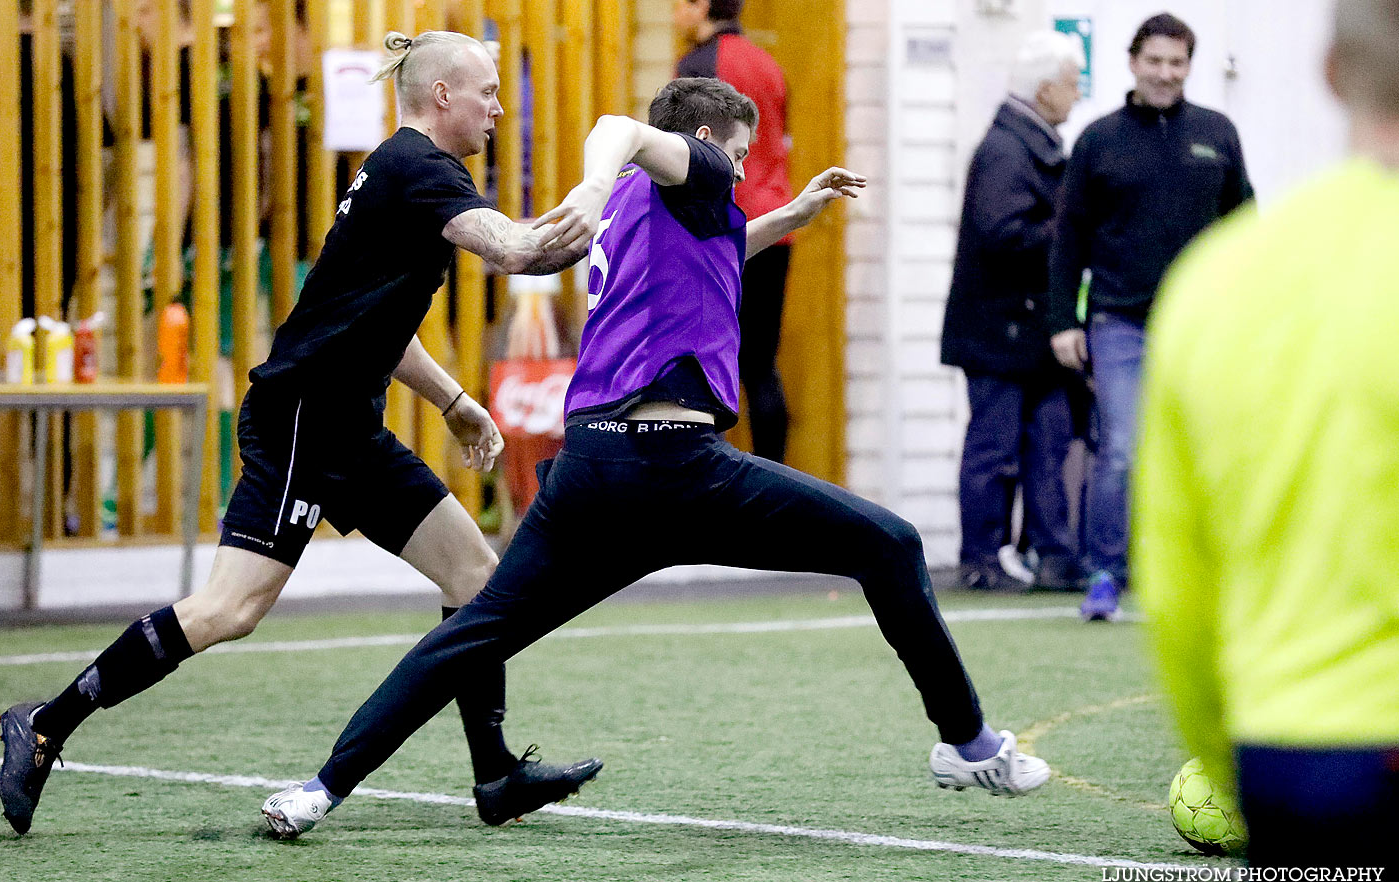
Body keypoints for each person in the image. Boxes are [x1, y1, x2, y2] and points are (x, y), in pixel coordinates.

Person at [261, 77, 1050, 838]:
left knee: (474, 632)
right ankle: (969, 745)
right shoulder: (675, 169)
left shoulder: (650, 212)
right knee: (893, 545)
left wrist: (793, 213)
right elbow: (620, 130)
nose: (739, 173)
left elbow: (720, 246)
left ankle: (318, 790)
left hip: (593, 477)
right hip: (682, 473)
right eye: (738, 155)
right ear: (703, 141)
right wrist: (592, 182)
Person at [0, 30, 602, 836]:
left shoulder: (405, 173)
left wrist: (455, 400)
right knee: (228, 610)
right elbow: (517, 250)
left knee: (473, 575)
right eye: (487, 91)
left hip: (347, 425)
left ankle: (494, 775)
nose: (499, 107)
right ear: (444, 96)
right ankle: (44, 724)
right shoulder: (419, 170)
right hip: (303, 423)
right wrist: (604, 192)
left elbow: (375, 323)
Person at [1138, 0, 1399, 870]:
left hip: (1304, 752)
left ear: (1331, 72)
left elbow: (1180, 592)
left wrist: (1225, 759)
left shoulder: (1218, 283)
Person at [1045, 12, 1253, 621]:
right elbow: (1068, 240)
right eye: (1155, 61)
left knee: (1206, 448)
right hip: (1120, 323)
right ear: (1133, 62)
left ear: (1189, 67)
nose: (1166, 73)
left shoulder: (1218, 133)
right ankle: (1105, 574)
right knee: (1122, 452)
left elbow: (1245, 228)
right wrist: (1064, 321)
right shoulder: (1099, 140)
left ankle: (1207, 575)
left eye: (1177, 63)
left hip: (1203, 326)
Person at [940, 31, 1084, 593]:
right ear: (1045, 90)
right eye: (1071, 84)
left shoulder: (1023, 144)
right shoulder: (1008, 150)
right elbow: (1000, 234)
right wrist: (1070, 233)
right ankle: (981, 557)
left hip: (1021, 329)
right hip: (1001, 330)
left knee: (1045, 444)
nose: (1076, 95)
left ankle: (1051, 555)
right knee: (997, 449)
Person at [673, 0, 793, 463]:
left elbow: (684, 158)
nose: (675, 13)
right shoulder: (769, 64)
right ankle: (774, 478)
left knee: (703, 362)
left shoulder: (696, 68)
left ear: (702, 5)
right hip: (774, 227)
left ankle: (705, 477)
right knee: (762, 367)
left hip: (720, 230)